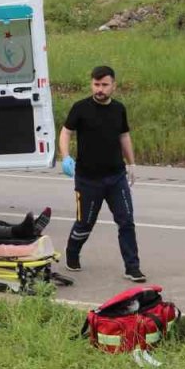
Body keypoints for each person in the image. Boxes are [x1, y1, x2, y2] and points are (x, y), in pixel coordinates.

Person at [58, 65, 144, 282]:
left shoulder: (119, 109)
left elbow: (124, 136)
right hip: (87, 179)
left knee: (126, 221)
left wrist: (132, 163)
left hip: (116, 177)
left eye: (104, 85)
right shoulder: (80, 108)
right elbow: (66, 132)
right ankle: (72, 252)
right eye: (96, 84)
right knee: (85, 223)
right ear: (91, 84)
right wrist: (65, 156)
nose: (100, 89)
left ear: (113, 86)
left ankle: (132, 267)